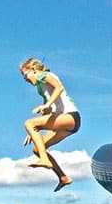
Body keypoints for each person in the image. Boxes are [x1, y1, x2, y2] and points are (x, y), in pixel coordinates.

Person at [19, 58, 81, 192]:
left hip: (70, 117)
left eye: (25, 76)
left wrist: (35, 124)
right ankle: (63, 177)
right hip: (66, 124)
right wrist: (33, 131)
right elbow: (47, 112)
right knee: (37, 149)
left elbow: (59, 87)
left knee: (29, 123)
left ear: (34, 70)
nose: (26, 80)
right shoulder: (41, 88)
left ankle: (44, 160)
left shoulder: (45, 75)